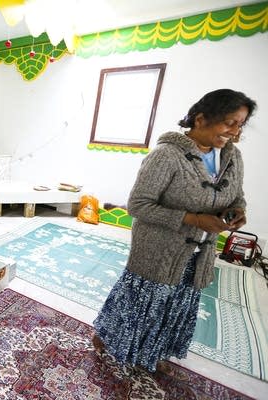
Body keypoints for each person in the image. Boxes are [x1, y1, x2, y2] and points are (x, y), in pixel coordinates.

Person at [92, 89, 257, 373]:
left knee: (177, 302)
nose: (235, 131)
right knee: (144, 301)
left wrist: (237, 212)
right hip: (158, 248)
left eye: (240, 124)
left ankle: (153, 351)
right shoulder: (167, 155)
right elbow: (138, 205)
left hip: (201, 251)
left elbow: (236, 195)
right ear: (202, 119)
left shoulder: (232, 157)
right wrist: (193, 219)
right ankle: (110, 339)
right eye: (230, 122)